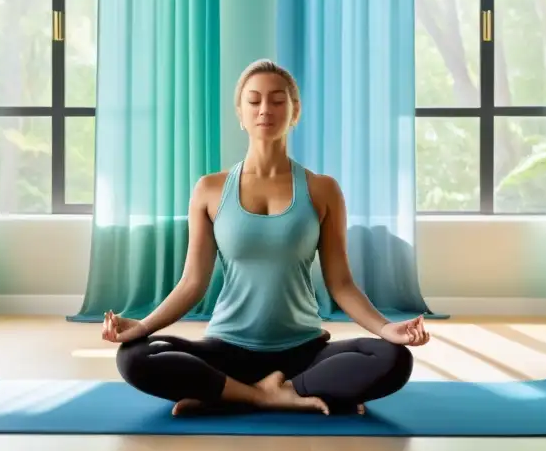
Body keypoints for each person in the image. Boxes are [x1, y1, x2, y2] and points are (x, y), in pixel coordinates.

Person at [103, 59, 429, 416]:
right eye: (254, 100)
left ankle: (235, 393)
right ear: (240, 113)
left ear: (295, 110)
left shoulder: (323, 190)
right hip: (227, 349)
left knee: (392, 357)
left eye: (277, 100)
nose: (265, 110)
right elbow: (192, 283)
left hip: (303, 352)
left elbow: (341, 282)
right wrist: (143, 325)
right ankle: (263, 395)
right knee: (135, 356)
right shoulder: (210, 190)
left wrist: (387, 328)